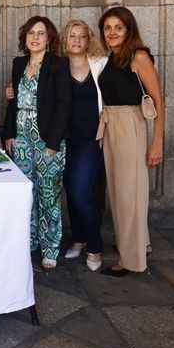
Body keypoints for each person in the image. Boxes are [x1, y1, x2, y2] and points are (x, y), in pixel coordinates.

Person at [96, 6, 164, 277]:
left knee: (128, 192)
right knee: (121, 190)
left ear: (129, 30)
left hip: (129, 125)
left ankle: (131, 259)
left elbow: (159, 101)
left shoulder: (138, 56)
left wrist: (156, 143)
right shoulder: (111, 58)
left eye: (118, 27)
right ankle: (140, 242)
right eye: (107, 28)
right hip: (111, 125)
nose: (112, 32)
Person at [2, 16, 70, 270]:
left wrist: (53, 142)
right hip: (20, 138)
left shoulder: (58, 65)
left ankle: (50, 247)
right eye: (31, 32)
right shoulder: (19, 63)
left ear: (49, 38)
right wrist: (8, 133)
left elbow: (64, 105)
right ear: (25, 37)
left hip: (47, 139)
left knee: (49, 194)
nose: (35, 37)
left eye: (41, 33)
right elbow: (13, 102)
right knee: (25, 193)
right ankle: (28, 242)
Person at [59, 20, 108, 271]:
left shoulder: (100, 65)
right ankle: (78, 239)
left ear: (89, 41)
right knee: (70, 189)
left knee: (81, 192)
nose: (77, 40)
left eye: (82, 36)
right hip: (63, 139)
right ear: (64, 41)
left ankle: (94, 246)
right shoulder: (57, 67)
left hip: (90, 139)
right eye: (72, 36)